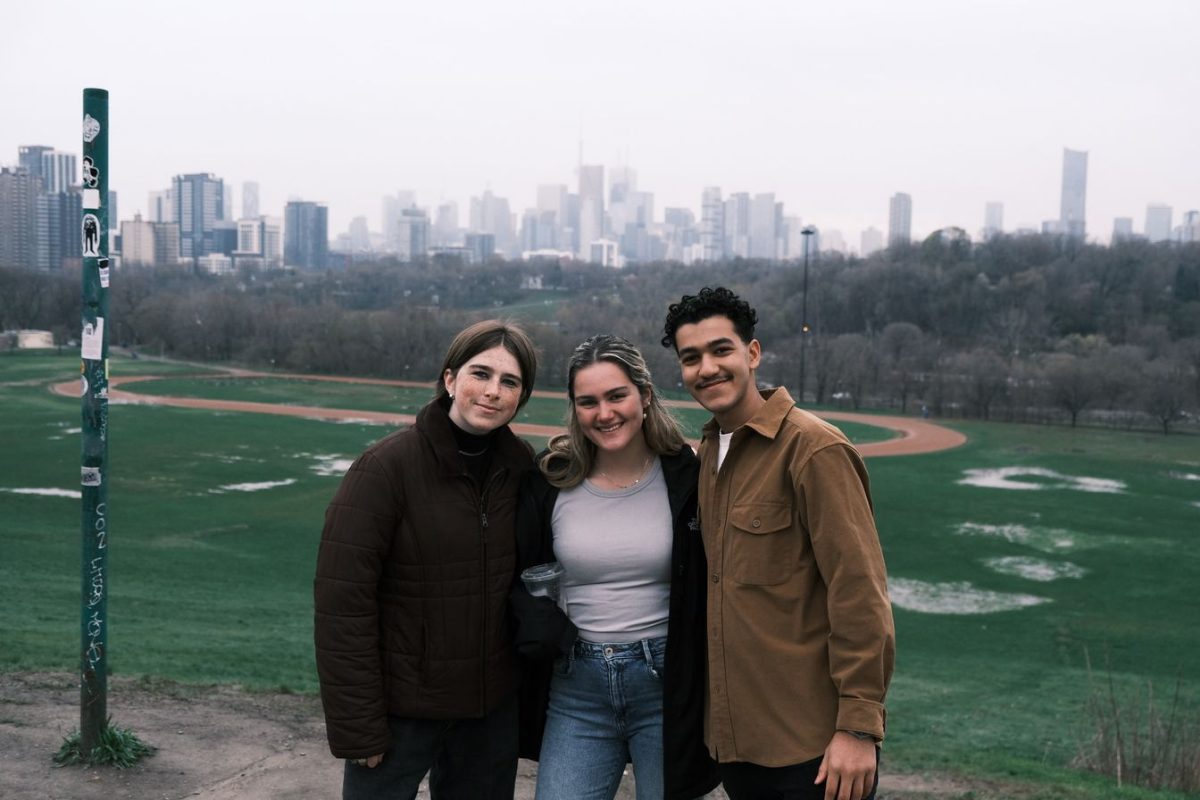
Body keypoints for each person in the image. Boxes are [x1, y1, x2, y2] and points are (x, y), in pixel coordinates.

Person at [661, 287, 896, 800]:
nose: (707, 368)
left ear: (752, 353)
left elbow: (860, 594)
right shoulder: (709, 455)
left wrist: (858, 729)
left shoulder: (814, 449)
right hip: (739, 743)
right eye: (691, 358)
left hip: (811, 750)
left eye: (721, 350)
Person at [314, 319, 539, 800]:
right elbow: (342, 605)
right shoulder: (385, 468)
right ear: (450, 378)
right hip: (402, 712)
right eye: (481, 374)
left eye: (510, 382)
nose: (493, 391)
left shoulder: (522, 468)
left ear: (522, 395)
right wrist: (359, 726)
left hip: (487, 715)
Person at [511, 334, 718, 800]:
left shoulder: (688, 475)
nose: (604, 413)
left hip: (666, 685)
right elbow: (517, 574)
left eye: (616, 395)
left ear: (644, 395)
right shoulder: (551, 479)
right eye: (588, 402)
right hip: (576, 688)